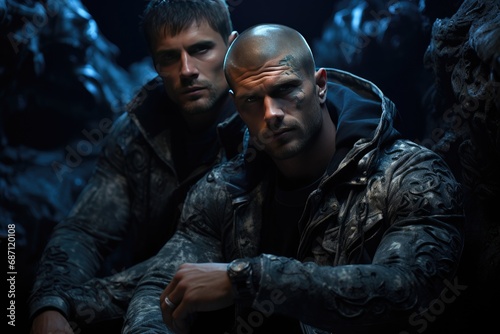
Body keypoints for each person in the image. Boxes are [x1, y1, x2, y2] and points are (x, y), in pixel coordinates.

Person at [113, 23, 465, 334]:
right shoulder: (227, 188)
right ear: (238, 107)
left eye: (284, 90)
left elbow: (407, 290)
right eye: (252, 101)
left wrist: (249, 279)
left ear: (320, 85)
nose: (272, 114)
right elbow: (162, 281)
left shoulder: (410, 174)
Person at [28, 0, 243, 333]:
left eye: (201, 49)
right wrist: (49, 302)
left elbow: (196, 261)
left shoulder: (260, 129)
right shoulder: (137, 130)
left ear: (232, 46)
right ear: (155, 62)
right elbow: (86, 230)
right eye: (169, 57)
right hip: (137, 304)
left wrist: (72, 303)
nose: (186, 70)